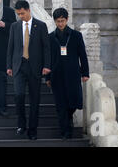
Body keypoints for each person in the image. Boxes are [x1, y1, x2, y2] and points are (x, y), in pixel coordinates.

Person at [7, 0, 51, 140]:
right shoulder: (14, 26)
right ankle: (21, 124)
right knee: (18, 96)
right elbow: (10, 47)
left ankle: (33, 129)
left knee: (34, 99)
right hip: (19, 66)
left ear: (28, 10)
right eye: (18, 14)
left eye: (22, 13)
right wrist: (9, 66)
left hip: (35, 67)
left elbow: (46, 48)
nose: (20, 16)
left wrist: (46, 65)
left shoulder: (41, 26)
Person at [47, 8, 90, 139]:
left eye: (63, 21)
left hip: (73, 74)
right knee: (60, 105)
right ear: (54, 21)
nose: (60, 24)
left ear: (67, 20)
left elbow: (82, 55)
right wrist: (47, 76)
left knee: (74, 102)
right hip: (56, 75)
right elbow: (47, 58)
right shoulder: (50, 37)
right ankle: (65, 131)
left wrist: (85, 73)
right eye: (58, 21)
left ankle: (69, 119)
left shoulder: (76, 36)